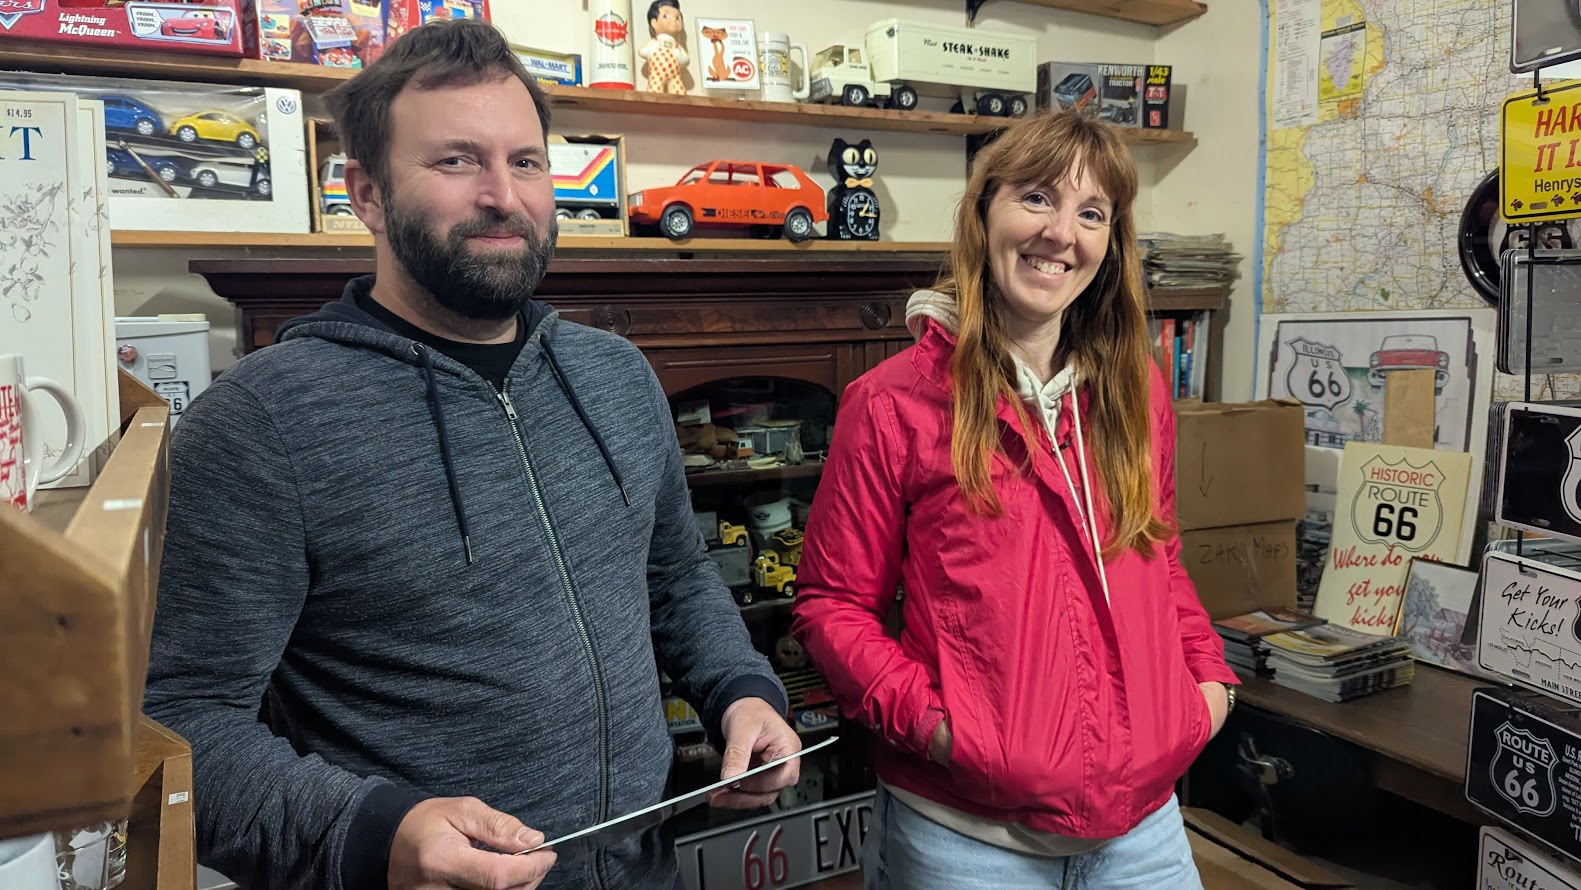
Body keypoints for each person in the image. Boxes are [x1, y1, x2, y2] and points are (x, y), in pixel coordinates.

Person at [143, 19, 799, 890]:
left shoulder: (615, 375)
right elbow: (176, 723)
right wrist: (378, 830)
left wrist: (741, 689)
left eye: (525, 162)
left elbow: (674, 578)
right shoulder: (261, 424)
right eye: (456, 161)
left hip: (645, 871)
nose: (502, 195)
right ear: (366, 194)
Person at [790, 111, 1238, 888]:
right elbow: (832, 608)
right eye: (1036, 198)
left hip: (1144, 828)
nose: (1060, 233)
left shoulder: (1136, 392)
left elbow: (1159, 557)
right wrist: (946, 733)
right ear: (982, 212)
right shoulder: (891, 404)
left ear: (1110, 242)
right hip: (964, 839)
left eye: (1091, 213)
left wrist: (1206, 691)